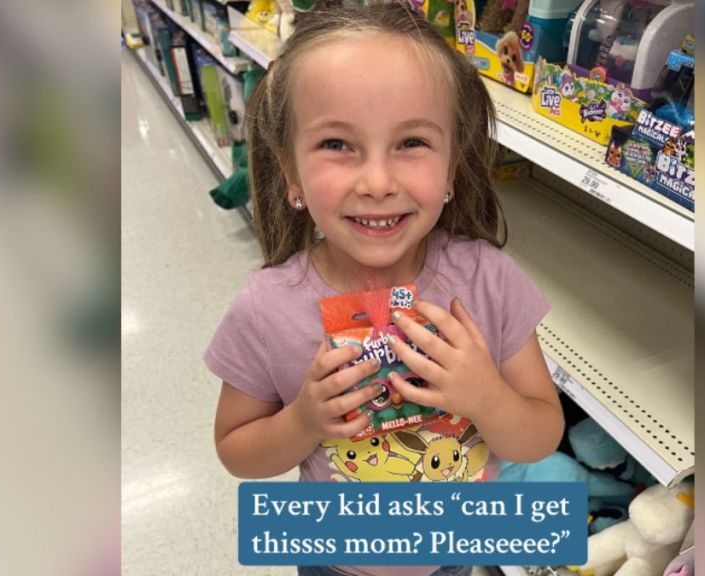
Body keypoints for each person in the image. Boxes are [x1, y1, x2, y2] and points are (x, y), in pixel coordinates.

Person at [205, 2, 565, 575]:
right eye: (337, 145)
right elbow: (235, 450)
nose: (377, 183)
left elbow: (542, 434)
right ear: (291, 174)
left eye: (412, 143)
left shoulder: (489, 283)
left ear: (451, 168)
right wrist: (302, 421)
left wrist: (485, 396)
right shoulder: (268, 307)